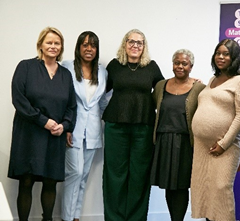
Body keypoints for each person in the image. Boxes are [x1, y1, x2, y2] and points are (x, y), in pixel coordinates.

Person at [8, 27, 77, 221]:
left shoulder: (65, 74)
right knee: (27, 181)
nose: (53, 46)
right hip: (29, 134)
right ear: (40, 45)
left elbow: (72, 106)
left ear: (61, 47)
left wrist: (64, 126)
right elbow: (19, 100)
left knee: (50, 182)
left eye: (57, 43)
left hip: (55, 136)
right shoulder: (26, 67)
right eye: (49, 42)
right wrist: (44, 121)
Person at [102, 29, 164, 221]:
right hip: (115, 126)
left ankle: (136, 218)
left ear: (144, 46)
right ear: (124, 44)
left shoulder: (151, 67)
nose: (135, 45)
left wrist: (189, 83)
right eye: (131, 41)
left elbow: (166, 90)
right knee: (115, 174)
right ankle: (114, 218)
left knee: (139, 174)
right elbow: (98, 90)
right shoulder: (114, 66)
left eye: (140, 42)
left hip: (143, 128)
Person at [190, 39, 240, 221]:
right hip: (202, 146)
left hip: (226, 146)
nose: (221, 57)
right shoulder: (212, 79)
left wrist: (224, 144)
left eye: (226, 54)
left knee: (221, 189)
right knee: (205, 189)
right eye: (218, 53)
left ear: (234, 57)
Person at [150, 49, 205, 221]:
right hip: (164, 141)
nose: (180, 66)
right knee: (168, 186)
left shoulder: (199, 88)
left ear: (191, 66)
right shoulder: (161, 86)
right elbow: (151, 107)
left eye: (184, 63)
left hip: (185, 143)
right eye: (177, 63)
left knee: (181, 186)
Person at [61, 31, 108, 221]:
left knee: (84, 176)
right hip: (73, 129)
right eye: (85, 44)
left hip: (94, 131)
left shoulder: (103, 71)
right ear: (78, 47)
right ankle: (67, 217)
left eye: (93, 45)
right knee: (74, 173)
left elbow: (103, 102)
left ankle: (76, 216)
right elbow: (61, 99)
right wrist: (65, 128)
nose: (89, 49)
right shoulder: (66, 68)